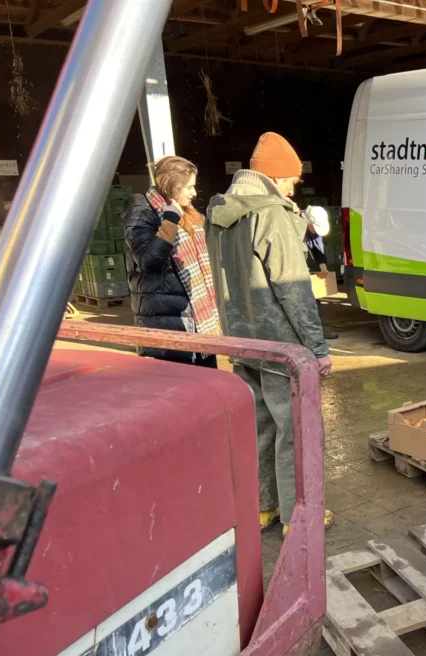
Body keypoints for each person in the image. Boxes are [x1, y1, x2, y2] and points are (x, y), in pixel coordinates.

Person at [206, 132, 334, 536]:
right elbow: (293, 288)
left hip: (241, 339)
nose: (295, 186)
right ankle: (297, 514)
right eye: (292, 179)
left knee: (261, 425)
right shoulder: (271, 214)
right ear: (276, 177)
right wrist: (317, 348)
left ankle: (263, 507)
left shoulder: (220, 211)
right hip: (280, 343)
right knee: (295, 429)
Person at [124, 155, 220, 366]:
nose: (194, 193)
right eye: (189, 187)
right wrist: (170, 221)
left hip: (199, 320)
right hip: (166, 321)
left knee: (207, 388)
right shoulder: (142, 209)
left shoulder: (191, 213)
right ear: (172, 185)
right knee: (181, 391)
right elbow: (148, 261)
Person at [301, 205, 338, 340]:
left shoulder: (313, 232)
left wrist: (323, 267)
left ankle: (318, 332)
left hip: (301, 268)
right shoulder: (290, 224)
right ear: (307, 222)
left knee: (314, 299)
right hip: (288, 269)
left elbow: (317, 250)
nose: (316, 232)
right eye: (314, 228)